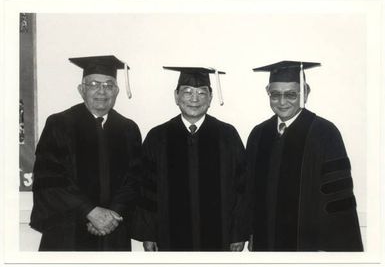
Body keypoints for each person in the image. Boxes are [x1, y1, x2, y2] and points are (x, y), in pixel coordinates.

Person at [246, 60, 363, 251]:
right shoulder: (259, 134)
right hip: (265, 240)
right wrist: (251, 231)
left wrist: (331, 248)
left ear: (305, 93)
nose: (282, 101)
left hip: (310, 245)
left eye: (291, 94)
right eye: (275, 95)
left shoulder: (325, 133)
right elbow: (249, 191)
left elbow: (338, 199)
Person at [30, 55, 142, 251]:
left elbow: (135, 179)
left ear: (116, 91)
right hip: (68, 230)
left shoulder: (128, 128)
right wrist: (89, 211)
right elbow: (50, 179)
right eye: (93, 84)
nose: (102, 90)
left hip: (113, 231)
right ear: (81, 90)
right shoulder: (59, 124)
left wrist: (112, 215)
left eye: (109, 85)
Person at [132, 67, 249, 251]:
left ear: (210, 97)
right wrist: (149, 233)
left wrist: (238, 233)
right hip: (169, 235)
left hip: (220, 236)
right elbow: (146, 189)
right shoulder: (158, 136)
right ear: (176, 96)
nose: (195, 99)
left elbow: (241, 188)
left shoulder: (227, 135)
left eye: (202, 93)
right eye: (187, 92)